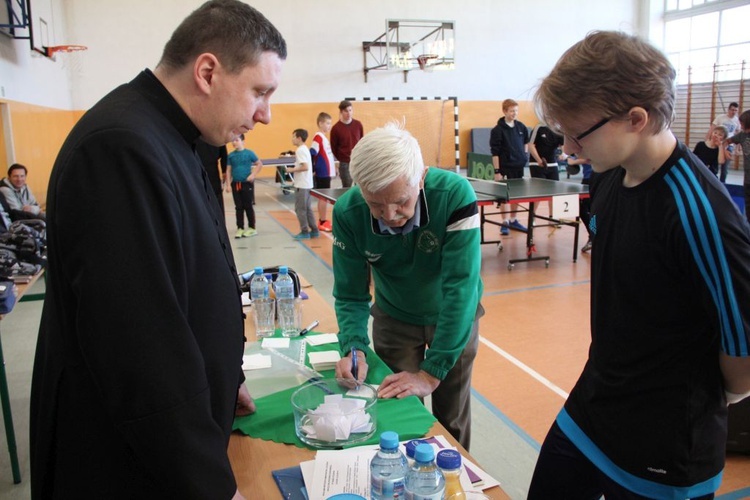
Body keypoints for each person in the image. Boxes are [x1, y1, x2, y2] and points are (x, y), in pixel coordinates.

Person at [29, 1, 286, 499]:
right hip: (124, 461)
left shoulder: (184, 138)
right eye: (259, 91)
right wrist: (209, 484)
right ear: (208, 71)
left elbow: (203, 259)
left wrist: (225, 377)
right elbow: (140, 349)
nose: (265, 114)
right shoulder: (120, 147)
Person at [528, 31, 750, 499]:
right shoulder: (610, 176)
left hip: (665, 445)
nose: (568, 147)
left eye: (577, 134)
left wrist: (687, 398)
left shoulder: (701, 214)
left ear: (636, 119)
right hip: (594, 406)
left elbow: (744, 362)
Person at [332, 123, 483, 451]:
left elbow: (461, 286)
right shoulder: (348, 212)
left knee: (451, 418)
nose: (389, 215)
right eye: (375, 204)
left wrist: (432, 373)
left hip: (452, 314)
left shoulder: (455, 195)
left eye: (400, 201)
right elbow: (350, 292)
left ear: (422, 176)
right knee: (397, 408)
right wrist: (353, 347)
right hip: (395, 316)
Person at [489, 98, 529, 235]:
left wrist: (524, 155)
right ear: (505, 111)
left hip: (518, 167)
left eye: (516, 111)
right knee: (504, 196)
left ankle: (513, 220)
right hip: (505, 167)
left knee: (516, 195)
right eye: (512, 111)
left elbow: (526, 142)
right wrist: (497, 171)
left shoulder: (521, 127)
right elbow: (495, 153)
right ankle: (504, 222)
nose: (515, 113)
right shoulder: (497, 130)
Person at [226, 133, 263, 238]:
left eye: (236, 140)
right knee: (238, 207)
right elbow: (228, 170)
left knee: (248, 206)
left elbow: (259, 164)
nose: (234, 142)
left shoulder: (249, 153)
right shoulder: (231, 155)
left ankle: (252, 228)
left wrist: (253, 174)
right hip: (235, 184)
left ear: (243, 141)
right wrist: (228, 184)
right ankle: (240, 228)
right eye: (233, 140)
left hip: (246, 184)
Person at [286, 128, 318, 239]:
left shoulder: (300, 150)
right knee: (307, 208)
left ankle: (305, 232)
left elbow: (305, 167)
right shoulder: (305, 149)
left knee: (300, 209)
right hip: (307, 184)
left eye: (293, 136)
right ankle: (314, 230)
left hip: (302, 185)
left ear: (299, 138)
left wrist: (291, 170)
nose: (292, 139)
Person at [528, 122, 564, 216]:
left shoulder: (558, 129)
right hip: (537, 164)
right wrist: (539, 160)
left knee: (554, 193)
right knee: (538, 193)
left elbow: (563, 145)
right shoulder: (539, 127)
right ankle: (532, 218)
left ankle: (552, 217)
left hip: (552, 164)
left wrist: (564, 154)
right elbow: (531, 145)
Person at [310, 111, 336, 232]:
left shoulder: (323, 137)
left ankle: (323, 220)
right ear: (320, 123)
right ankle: (322, 221)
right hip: (323, 172)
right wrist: (313, 169)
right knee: (323, 197)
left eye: (330, 123)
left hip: (327, 172)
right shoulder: (318, 137)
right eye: (327, 123)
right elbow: (312, 152)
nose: (329, 126)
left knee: (324, 197)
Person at [330, 99, 363, 188]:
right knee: (347, 187)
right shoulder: (336, 128)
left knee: (360, 186)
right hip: (344, 163)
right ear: (341, 112)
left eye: (350, 110)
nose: (348, 113)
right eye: (346, 111)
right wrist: (340, 159)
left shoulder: (358, 125)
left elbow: (362, 141)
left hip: (357, 160)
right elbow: (334, 147)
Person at [708, 102, 741, 182]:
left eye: (735, 110)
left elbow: (738, 135)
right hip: (716, 143)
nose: (733, 112)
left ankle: (723, 183)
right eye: (732, 110)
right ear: (728, 109)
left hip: (729, 145)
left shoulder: (737, 120)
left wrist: (737, 148)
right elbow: (712, 129)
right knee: (713, 164)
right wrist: (708, 140)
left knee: (725, 167)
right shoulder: (720, 118)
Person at [728, 110, 750, 225]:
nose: (740, 125)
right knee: (748, 205)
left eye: (742, 123)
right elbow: (728, 141)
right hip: (747, 179)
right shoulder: (742, 135)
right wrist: (725, 150)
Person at [196, 139, 229, 216]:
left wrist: (225, 171)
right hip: (203, 171)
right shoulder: (215, 135)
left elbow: (224, 154)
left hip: (209, 172)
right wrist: (224, 171)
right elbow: (224, 154)